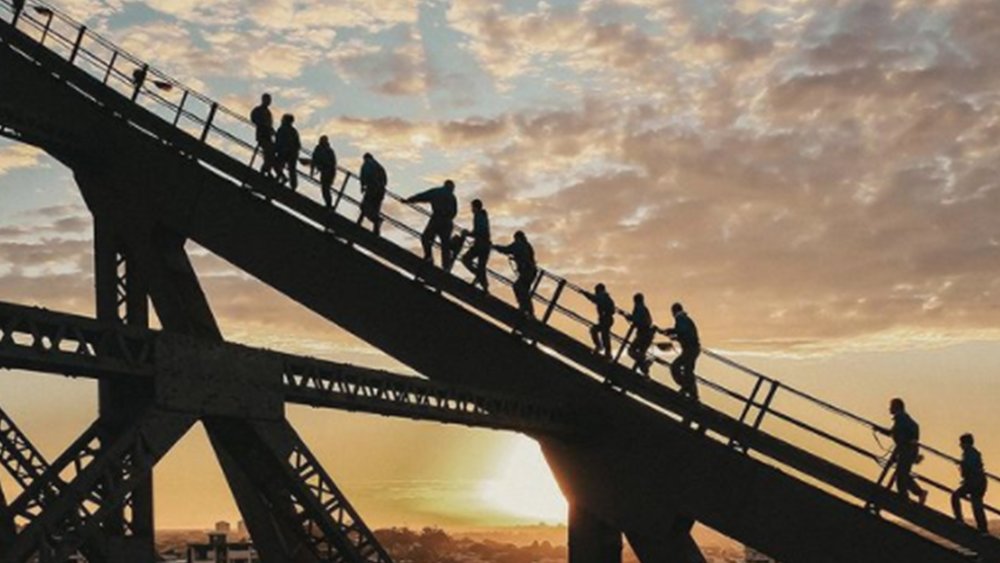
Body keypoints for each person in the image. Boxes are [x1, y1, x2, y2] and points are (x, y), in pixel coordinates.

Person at [404, 180, 458, 269]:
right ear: (452, 187)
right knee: (445, 246)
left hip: (437, 219)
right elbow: (454, 212)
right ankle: (446, 267)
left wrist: (409, 200)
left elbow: (423, 196)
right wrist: (448, 217)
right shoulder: (453, 197)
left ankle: (429, 257)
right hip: (447, 222)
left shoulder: (437, 191)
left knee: (426, 238)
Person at [885, 398, 928, 505]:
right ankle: (917, 493)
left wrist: (911, 441)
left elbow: (900, 432)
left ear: (896, 407)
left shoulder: (901, 418)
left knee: (901, 476)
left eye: (891, 406)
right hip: (906, 450)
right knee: (903, 474)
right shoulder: (902, 418)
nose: (889, 408)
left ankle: (906, 499)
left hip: (906, 451)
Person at [494, 231, 538, 318]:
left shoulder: (519, 244)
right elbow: (527, 256)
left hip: (527, 271)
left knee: (518, 287)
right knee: (524, 290)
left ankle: (525, 309)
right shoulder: (527, 245)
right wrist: (516, 258)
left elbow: (507, 249)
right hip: (532, 271)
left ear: (518, 237)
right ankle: (528, 311)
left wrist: (495, 246)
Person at [952, 433, 988, 533]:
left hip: (974, 482)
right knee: (977, 505)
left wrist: (961, 464)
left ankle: (959, 519)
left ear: (966, 443)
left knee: (955, 496)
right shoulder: (974, 453)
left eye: (961, 443)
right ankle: (983, 529)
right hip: (980, 481)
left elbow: (969, 468)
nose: (960, 445)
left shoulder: (969, 453)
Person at [663, 302, 700, 400]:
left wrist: (673, 332)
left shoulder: (680, 319)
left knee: (675, 367)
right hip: (693, 348)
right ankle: (693, 394)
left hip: (689, 349)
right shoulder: (686, 319)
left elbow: (682, 331)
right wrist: (674, 334)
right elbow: (685, 332)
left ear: (674, 311)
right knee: (688, 371)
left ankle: (686, 388)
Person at [460, 199, 491, 292]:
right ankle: (485, 288)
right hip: (486, 245)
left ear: (475, 207)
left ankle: (479, 276)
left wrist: (467, 233)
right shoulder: (483, 216)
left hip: (480, 245)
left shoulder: (478, 216)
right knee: (481, 266)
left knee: (465, 259)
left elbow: (479, 231)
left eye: (472, 207)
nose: (471, 209)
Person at [583, 283, 615, 359]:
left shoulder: (602, 296)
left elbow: (594, 298)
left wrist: (586, 294)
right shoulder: (607, 297)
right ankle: (604, 350)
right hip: (606, 319)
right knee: (600, 333)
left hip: (606, 319)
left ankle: (603, 350)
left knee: (603, 334)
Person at [625, 293, 654, 376]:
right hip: (648, 335)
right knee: (640, 352)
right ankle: (646, 372)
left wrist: (629, 317)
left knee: (631, 351)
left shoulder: (639, 308)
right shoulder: (644, 309)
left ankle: (646, 362)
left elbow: (636, 319)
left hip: (643, 335)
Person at [357, 153, 387, 235]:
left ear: (365, 158)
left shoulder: (367, 164)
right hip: (381, 190)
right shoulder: (380, 167)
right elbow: (385, 180)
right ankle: (376, 231)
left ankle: (375, 220)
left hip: (372, 188)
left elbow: (364, 175)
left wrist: (363, 186)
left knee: (364, 206)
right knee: (375, 209)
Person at [250, 94, 275, 177]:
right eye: (267, 100)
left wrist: (272, 132)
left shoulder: (268, 113)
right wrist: (262, 124)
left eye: (269, 100)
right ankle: (265, 170)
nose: (269, 102)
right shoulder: (258, 110)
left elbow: (270, 125)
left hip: (267, 136)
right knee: (268, 152)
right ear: (263, 100)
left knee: (270, 153)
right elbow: (253, 118)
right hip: (262, 135)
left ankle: (267, 170)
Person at [274, 113, 301, 190]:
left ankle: (281, 178)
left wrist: (276, 150)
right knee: (292, 170)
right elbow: (298, 144)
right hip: (292, 153)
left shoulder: (282, 129)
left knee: (277, 165)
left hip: (284, 152)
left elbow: (278, 141)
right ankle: (293, 187)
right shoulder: (294, 131)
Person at [310, 136, 337, 208]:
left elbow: (333, 164)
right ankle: (329, 204)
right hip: (326, 171)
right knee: (325, 189)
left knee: (325, 188)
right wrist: (312, 171)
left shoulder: (327, 150)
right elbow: (314, 160)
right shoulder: (327, 150)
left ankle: (329, 204)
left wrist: (312, 172)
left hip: (327, 171)